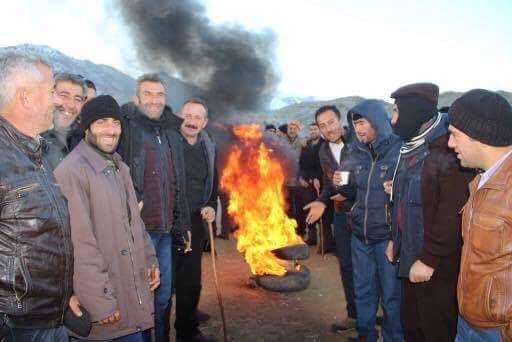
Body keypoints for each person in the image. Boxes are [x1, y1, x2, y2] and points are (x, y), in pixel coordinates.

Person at [55, 95, 159, 341]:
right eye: (102, 122)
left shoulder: (119, 168)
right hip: (105, 306)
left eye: (116, 123)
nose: (111, 130)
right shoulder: (72, 171)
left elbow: (135, 224)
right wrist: (99, 302)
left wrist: (150, 260)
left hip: (129, 294)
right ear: (87, 127)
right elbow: (80, 244)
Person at [0, 52, 77, 341]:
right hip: (18, 325)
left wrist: (62, 295)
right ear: (26, 97)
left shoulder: (37, 152)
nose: (57, 101)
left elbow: (44, 239)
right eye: (50, 91)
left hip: (48, 314)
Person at [388, 83, 473, 341]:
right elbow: (404, 200)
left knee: (434, 328)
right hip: (411, 254)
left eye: (396, 112)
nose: (392, 121)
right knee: (411, 325)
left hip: (435, 266)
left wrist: (429, 259)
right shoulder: (410, 146)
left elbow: (450, 215)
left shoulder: (448, 152)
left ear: (413, 113)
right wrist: (396, 240)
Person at [118, 73, 186, 342]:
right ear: (137, 98)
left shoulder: (170, 131)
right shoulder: (127, 128)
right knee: (139, 295)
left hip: (165, 229)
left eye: (159, 95)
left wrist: (182, 223)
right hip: (138, 230)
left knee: (163, 295)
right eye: (148, 94)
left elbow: (177, 177)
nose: (155, 100)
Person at [447, 89, 512, 341]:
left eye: (454, 135)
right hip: (469, 322)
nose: (450, 143)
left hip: (497, 331)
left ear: (480, 136)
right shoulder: (481, 180)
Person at [342, 100, 402, 341]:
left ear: (377, 120)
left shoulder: (398, 150)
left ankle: (393, 338)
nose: (358, 129)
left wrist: (396, 189)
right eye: (355, 124)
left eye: (362, 122)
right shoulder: (356, 152)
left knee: (391, 296)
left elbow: (408, 194)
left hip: (386, 237)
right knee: (363, 290)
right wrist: (342, 184)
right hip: (360, 236)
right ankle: (366, 335)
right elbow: (352, 192)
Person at [304, 105, 357, 332]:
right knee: (346, 265)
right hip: (342, 216)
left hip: (367, 214)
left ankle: (380, 314)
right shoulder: (323, 151)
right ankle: (354, 315)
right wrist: (322, 201)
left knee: (373, 266)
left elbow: (370, 178)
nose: (328, 129)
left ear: (340, 121)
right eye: (322, 125)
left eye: (331, 122)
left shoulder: (358, 142)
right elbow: (329, 182)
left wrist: (349, 192)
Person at [173, 98, 218, 342]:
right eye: (187, 116)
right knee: (165, 281)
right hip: (169, 220)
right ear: (180, 116)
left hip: (195, 220)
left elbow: (214, 180)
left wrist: (211, 205)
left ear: (205, 122)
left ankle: (187, 331)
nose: (191, 121)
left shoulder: (208, 146)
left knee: (192, 280)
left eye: (197, 117)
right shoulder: (168, 142)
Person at [298, 122, 334, 250]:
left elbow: (325, 165)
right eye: (311, 129)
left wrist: (317, 178)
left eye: (315, 129)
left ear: (319, 130)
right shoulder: (306, 145)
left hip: (322, 184)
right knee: (309, 211)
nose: (313, 131)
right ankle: (312, 237)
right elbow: (301, 164)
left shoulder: (325, 145)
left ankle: (327, 243)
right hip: (307, 184)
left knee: (323, 213)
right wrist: (301, 177)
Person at [42, 72, 86, 170]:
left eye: (77, 99)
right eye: (64, 95)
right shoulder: (30, 136)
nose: (71, 105)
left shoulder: (82, 139)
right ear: (50, 94)